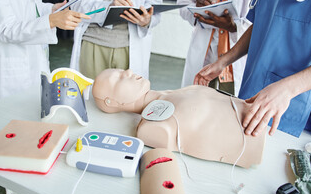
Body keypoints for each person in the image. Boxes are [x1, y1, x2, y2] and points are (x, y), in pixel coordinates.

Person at [194, 0, 311, 138]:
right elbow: (263, 22)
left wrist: (287, 89)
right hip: (253, 95)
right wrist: (224, 60)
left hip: (295, 111)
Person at [92, 69, 265, 168]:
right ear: (112, 102)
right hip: (257, 143)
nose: (128, 71)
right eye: (119, 77)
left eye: (122, 71)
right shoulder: (153, 127)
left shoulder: (172, 93)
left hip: (263, 118)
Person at [177, 0, 265, 95]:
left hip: (238, 61)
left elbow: (264, 13)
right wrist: (198, 9)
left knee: (235, 111)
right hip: (204, 59)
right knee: (196, 108)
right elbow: (183, 5)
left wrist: (235, 27)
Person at [69, 0, 162, 80]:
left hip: (130, 45)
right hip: (94, 42)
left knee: (128, 98)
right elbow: (77, 4)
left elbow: (155, 4)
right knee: (89, 97)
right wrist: (107, 7)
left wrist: (147, 21)